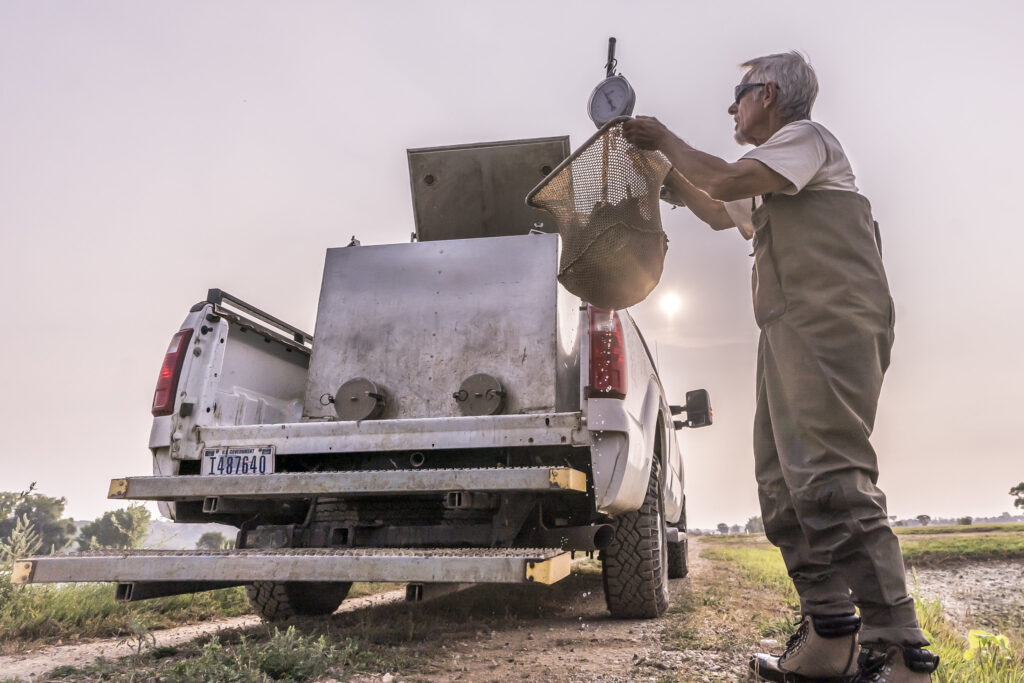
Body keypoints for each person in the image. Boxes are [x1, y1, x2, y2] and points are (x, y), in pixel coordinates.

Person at [623, 52, 939, 683]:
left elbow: (724, 182)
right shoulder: (772, 179)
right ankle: (830, 636)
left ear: (768, 94)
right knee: (780, 488)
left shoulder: (805, 140)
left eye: (738, 95)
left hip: (831, 323)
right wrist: (661, 172)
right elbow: (718, 206)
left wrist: (664, 139)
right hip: (788, 329)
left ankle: (901, 652)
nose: (731, 107)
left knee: (829, 477)